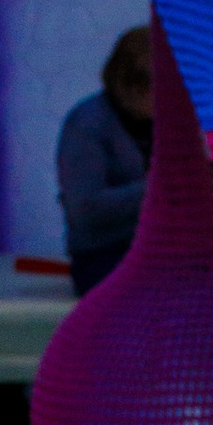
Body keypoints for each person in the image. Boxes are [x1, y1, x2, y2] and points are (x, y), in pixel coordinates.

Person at [56, 23, 154, 295]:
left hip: (162, 248)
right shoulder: (88, 124)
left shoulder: (167, 123)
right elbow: (84, 209)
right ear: (131, 85)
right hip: (104, 254)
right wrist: (161, 189)